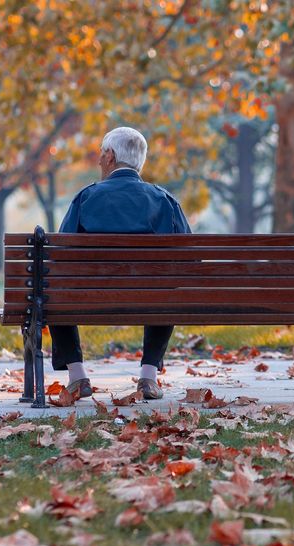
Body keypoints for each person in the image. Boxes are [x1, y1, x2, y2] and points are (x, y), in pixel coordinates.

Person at [50, 127, 191, 401]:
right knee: (165, 290)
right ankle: (148, 377)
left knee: (52, 292)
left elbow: (59, 257)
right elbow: (189, 259)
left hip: (88, 299)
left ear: (111, 156)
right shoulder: (164, 200)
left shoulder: (86, 197)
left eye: (102, 154)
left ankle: (77, 376)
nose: (100, 160)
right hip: (152, 298)